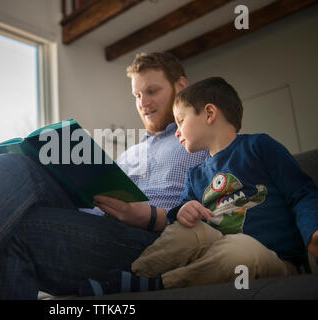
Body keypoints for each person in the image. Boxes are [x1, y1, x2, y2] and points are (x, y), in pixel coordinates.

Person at [0, 52, 207, 300]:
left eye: (152, 91)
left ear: (181, 85)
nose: (143, 102)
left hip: (147, 239)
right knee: (14, 166)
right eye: (136, 94)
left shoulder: (201, 140)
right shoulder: (131, 152)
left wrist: (148, 217)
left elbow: (214, 213)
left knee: (12, 230)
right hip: (95, 224)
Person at [78, 77, 318, 296]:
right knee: (186, 230)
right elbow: (179, 217)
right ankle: (133, 276)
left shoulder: (259, 146)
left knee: (240, 250)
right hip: (213, 248)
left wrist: (313, 231)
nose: (178, 132)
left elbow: (302, 193)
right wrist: (184, 211)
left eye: (181, 121)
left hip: (275, 259)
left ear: (209, 113)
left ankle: (160, 285)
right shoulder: (195, 174)